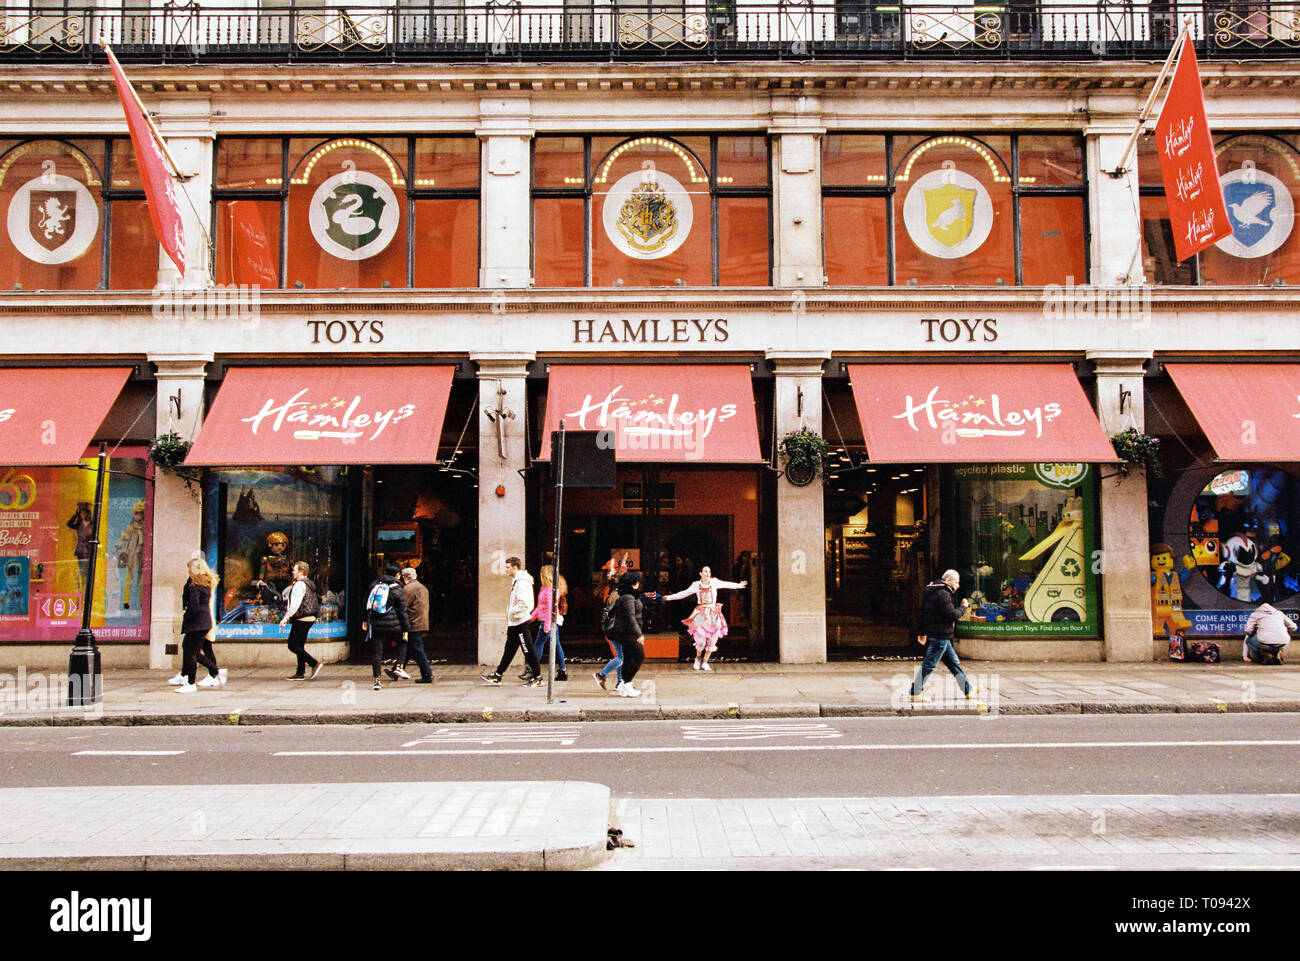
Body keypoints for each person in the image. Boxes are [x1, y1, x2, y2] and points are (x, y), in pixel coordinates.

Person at [662, 565, 748, 672]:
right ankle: (697, 659)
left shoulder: (714, 582)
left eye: (709, 571)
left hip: (712, 613)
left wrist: (738, 585)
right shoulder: (696, 585)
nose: (707, 573)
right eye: (705, 571)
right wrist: (669, 597)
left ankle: (705, 662)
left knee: (712, 639)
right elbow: (684, 593)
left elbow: (726, 584)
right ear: (700, 574)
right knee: (700, 637)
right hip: (701, 613)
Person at [911, 569, 976, 701]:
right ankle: (915, 692)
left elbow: (924, 614)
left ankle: (968, 690)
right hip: (940, 635)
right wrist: (963, 607)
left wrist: (922, 632)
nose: (957, 586)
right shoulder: (943, 594)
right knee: (929, 665)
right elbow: (951, 615)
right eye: (956, 582)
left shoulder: (934, 591)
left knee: (954, 664)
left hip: (941, 636)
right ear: (948, 580)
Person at [481, 556, 542, 687]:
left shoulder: (522, 583)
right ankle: (498, 675)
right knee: (509, 650)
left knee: (528, 649)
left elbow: (525, 604)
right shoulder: (517, 581)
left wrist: (512, 612)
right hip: (515, 622)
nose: (505, 570)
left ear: (515, 568)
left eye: (508, 567)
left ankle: (538, 677)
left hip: (521, 622)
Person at [169, 555, 226, 693]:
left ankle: (191, 683)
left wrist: (186, 619)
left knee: (190, 653)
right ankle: (216, 671)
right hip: (205, 622)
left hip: (196, 623)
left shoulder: (195, 586)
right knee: (193, 652)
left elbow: (193, 606)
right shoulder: (206, 583)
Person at [362, 562, 409, 691]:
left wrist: (365, 621)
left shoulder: (375, 585)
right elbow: (402, 611)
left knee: (377, 653)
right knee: (403, 643)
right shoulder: (397, 589)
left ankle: (377, 681)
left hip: (376, 625)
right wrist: (406, 629)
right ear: (397, 575)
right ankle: (399, 666)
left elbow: (366, 603)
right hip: (394, 625)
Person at [279, 560, 323, 680]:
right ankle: (300, 672)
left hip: (302, 618)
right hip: (309, 617)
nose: (292, 571)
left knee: (292, 645)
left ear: (301, 571)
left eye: (294, 570)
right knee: (299, 645)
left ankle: (314, 663)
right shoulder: (309, 583)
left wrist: (285, 618)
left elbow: (295, 605)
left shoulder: (299, 585)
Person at [389, 567, 433, 684]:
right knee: (408, 649)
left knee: (417, 649)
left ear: (404, 577)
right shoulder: (422, 587)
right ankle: (396, 670)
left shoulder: (408, 589)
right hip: (421, 621)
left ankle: (427, 674)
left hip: (412, 622)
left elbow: (402, 607)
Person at [609, 570, 647, 698]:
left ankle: (624, 684)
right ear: (634, 583)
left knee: (629, 657)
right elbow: (630, 618)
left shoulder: (628, 595)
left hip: (626, 632)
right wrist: (638, 634)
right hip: (628, 633)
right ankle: (628, 683)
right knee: (639, 656)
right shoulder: (628, 597)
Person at [532, 564, 568, 681]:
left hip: (548, 620)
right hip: (552, 620)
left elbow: (549, 608)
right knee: (556, 644)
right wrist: (531, 617)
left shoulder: (549, 589)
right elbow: (541, 606)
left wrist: (547, 625)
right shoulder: (550, 587)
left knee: (539, 644)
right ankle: (562, 670)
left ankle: (534, 671)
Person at [115, 500, 146, 610]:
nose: (138, 515)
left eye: (140, 513)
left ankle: (142, 601)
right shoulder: (132, 526)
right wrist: (119, 544)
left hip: (143, 554)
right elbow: (123, 536)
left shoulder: (146, 526)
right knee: (129, 577)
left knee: (142, 578)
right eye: (136, 513)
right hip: (132, 554)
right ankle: (125, 601)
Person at [67, 501, 93, 588]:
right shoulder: (79, 524)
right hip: (81, 551)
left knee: (87, 574)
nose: (82, 514)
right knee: (82, 573)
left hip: (88, 551)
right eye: (80, 512)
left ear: (87, 513)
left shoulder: (92, 524)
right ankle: (82, 592)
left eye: (83, 512)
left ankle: (86, 592)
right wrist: (76, 515)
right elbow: (69, 524)